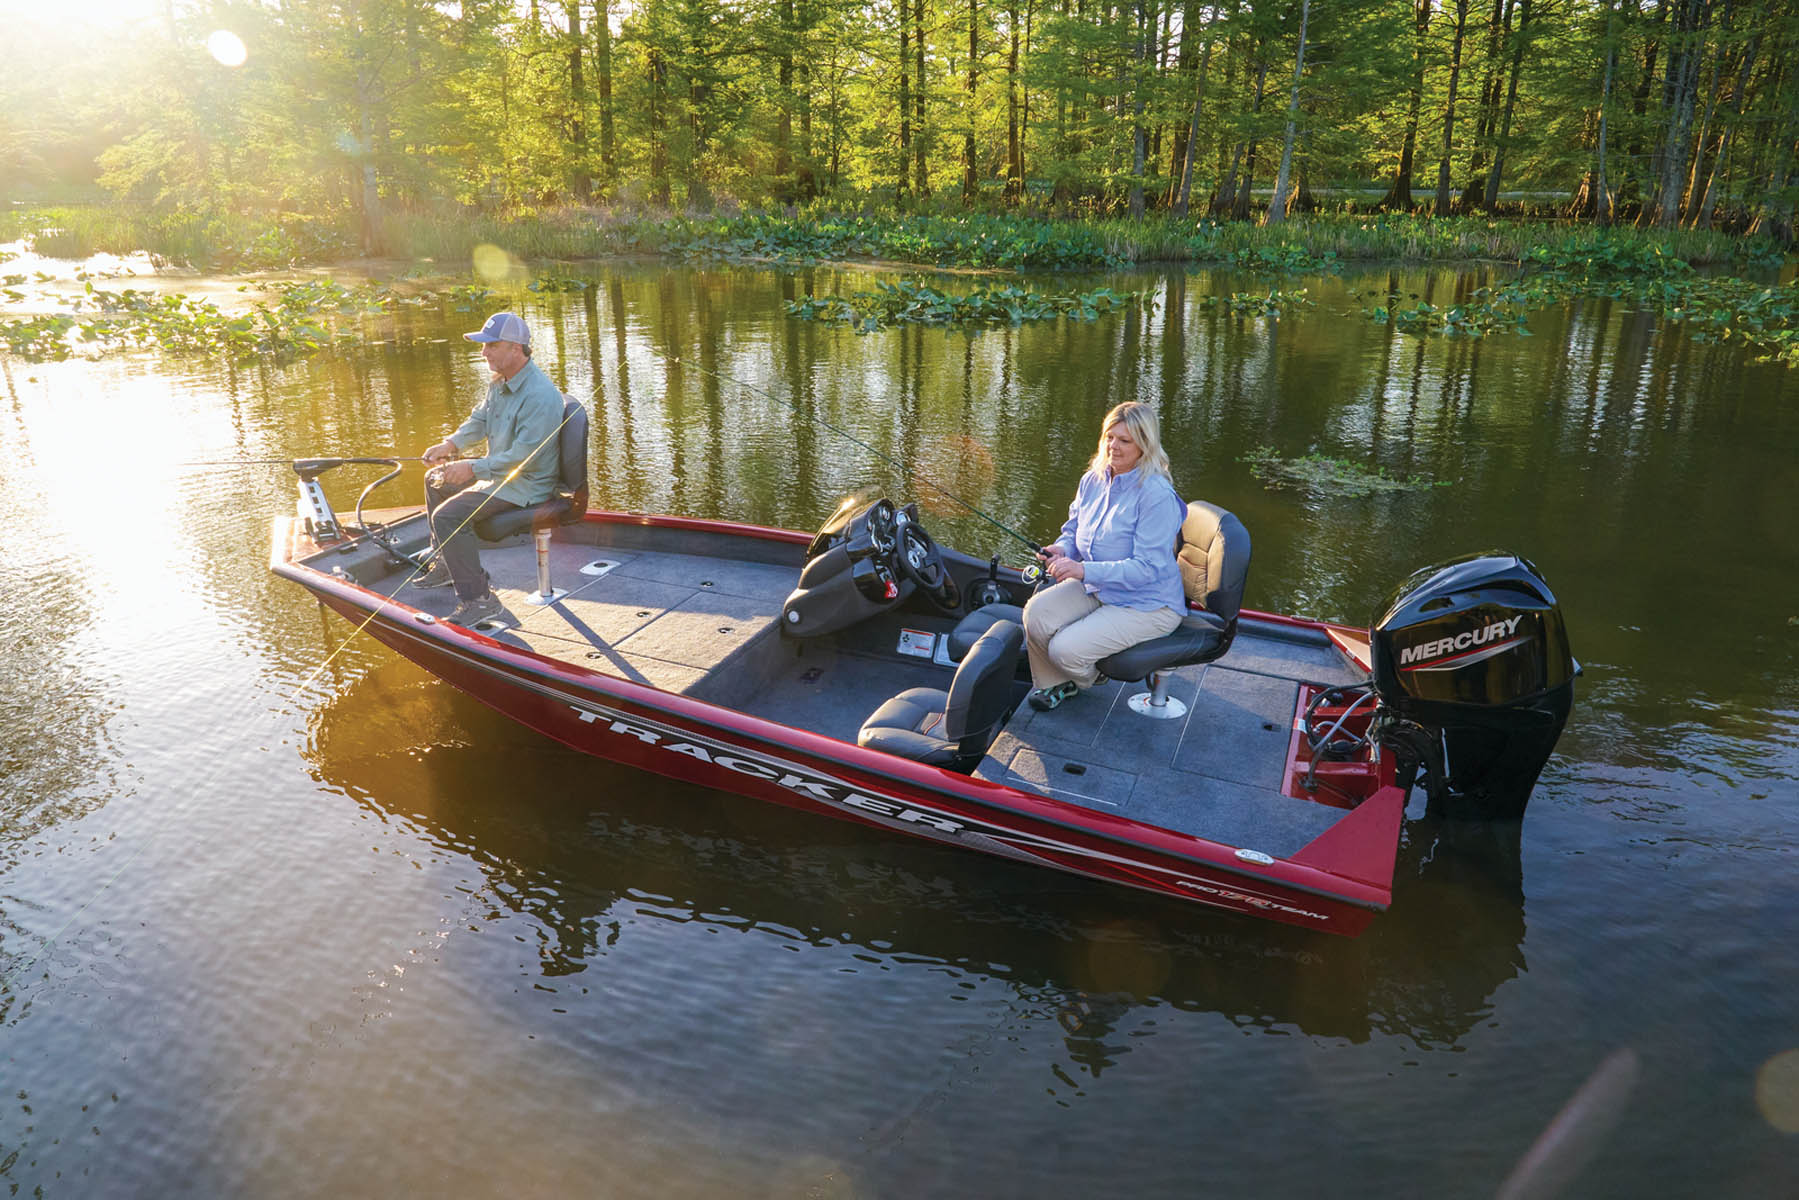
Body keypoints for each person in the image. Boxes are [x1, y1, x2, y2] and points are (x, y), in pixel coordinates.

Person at [1023, 401, 1187, 711]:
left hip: (1148, 603)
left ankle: (1087, 676)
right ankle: (1055, 685)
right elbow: (1072, 531)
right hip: (1101, 587)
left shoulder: (1156, 496)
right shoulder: (1093, 480)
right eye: (1109, 437)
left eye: (1125, 440)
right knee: (1037, 614)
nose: (1114, 446)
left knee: (1065, 651)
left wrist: (1083, 571)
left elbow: (1147, 568)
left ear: (1145, 445)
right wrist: (1062, 549)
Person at [411, 311, 566, 626]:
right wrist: (450, 445)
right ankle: (445, 564)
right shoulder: (500, 382)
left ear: (515, 348)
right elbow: (480, 419)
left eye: (491, 345)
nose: (483, 352)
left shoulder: (540, 395)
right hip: (503, 475)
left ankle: (480, 601)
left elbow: (524, 457)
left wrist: (472, 468)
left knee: (448, 516)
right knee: (435, 479)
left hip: (527, 484)